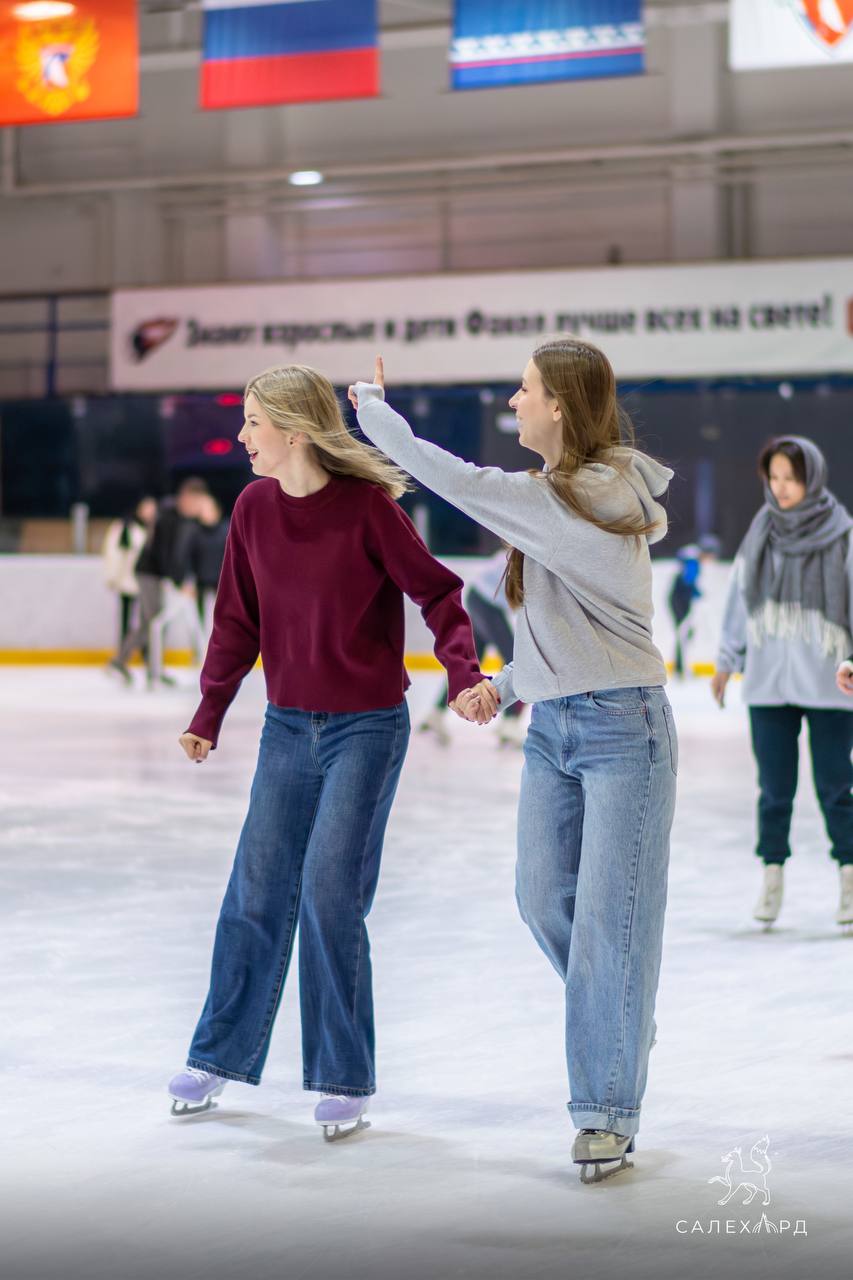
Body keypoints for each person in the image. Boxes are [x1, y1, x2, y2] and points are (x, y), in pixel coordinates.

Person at [350, 344, 676, 1184]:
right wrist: (504, 685)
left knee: (608, 925)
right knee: (541, 899)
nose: (513, 400)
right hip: (554, 727)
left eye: (525, 389)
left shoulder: (588, 497)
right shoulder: (557, 497)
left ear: (559, 404)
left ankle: (604, 1111)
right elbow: (568, 629)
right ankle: (617, 1018)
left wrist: (377, 419)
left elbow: (459, 482)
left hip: (623, 730)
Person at [167, 363, 487, 1139]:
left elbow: (438, 592)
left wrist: (462, 673)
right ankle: (218, 1054)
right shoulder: (252, 509)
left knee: (329, 893)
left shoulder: (367, 509)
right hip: (286, 726)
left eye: (253, 422)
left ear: (295, 429)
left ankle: (343, 1075)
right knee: (255, 889)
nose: (241, 436)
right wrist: (209, 710)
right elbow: (235, 621)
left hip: (365, 730)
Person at [711, 437, 853, 930]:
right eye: (774, 478)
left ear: (812, 478)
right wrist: (726, 661)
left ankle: (850, 877)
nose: (782, 488)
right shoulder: (761, 534)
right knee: (774, 791)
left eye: (791, 478)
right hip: (768, 685)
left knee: (836, 788)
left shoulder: (843, 535)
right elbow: (739, 601)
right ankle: (772, 876)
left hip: (831, 686)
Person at [420, 549, 525, 747]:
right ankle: (510, 723)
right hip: (486, 603)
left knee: (471, 662)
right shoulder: (528, 555)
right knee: (519, 660)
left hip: (477, 597)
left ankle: (436, 713)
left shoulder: (519, 549)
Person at [112, 477, 209, 687]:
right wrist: (179, 582)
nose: (197, 508)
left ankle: (152, 668)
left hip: (158, 573)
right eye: (196, 503)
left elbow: (181, 554)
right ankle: (124, 662)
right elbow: (164, 553)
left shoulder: (183, 519)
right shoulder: (167, 514)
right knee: (152, 621)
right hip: (148, 572)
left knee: (153, 622)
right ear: (187, 497)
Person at [102, 496, 157, 675]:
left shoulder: (153, 529)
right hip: (127, 581)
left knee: (146, 622)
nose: (150, 512)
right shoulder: (125, 527)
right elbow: (113, 553)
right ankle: (122, 659)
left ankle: (147, 657)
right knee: (127, 622)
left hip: (145, 582)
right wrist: (113, 577)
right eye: (147, 508)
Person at [667, 535, 720, 678]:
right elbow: (688, 580)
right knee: (684, 633)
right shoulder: (693, 561)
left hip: (680, 599)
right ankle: (681, 668)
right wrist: (697, 593)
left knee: (685, 633)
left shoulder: (692, 558)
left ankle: (681, 667)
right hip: (680, 600)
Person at [188, 493, 229, 628]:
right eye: (202, 509)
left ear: (216, 510)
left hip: (221, 583)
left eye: (207, 508)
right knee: (200, 620)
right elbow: (189, 558)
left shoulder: (227, 530)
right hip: (201, 582)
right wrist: (189, 580)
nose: (204, 513)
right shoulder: (195, 533)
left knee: (221, 618)